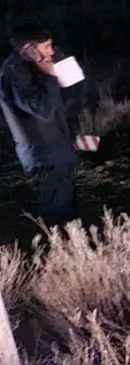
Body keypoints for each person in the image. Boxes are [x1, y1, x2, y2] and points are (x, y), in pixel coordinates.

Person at [0, 20, 80, 224]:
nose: (51, 51)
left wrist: (58, 63)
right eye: (46, 47)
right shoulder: (15, 73)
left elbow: (75, 89)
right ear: (28, 49)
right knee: (56, 214)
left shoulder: (40, 64)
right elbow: (43, 110)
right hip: (43, 154)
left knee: (70, 208)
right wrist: (49, 76)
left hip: (60, 147)